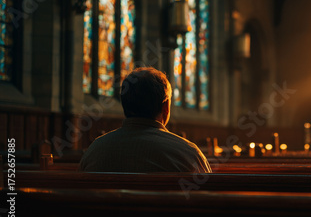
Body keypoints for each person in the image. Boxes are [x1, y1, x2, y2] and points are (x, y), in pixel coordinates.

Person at [79, 67, 212, 173]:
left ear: (124, 104)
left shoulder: (95, 151)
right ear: (165, 106)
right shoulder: (189, 155)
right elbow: (208, 197)